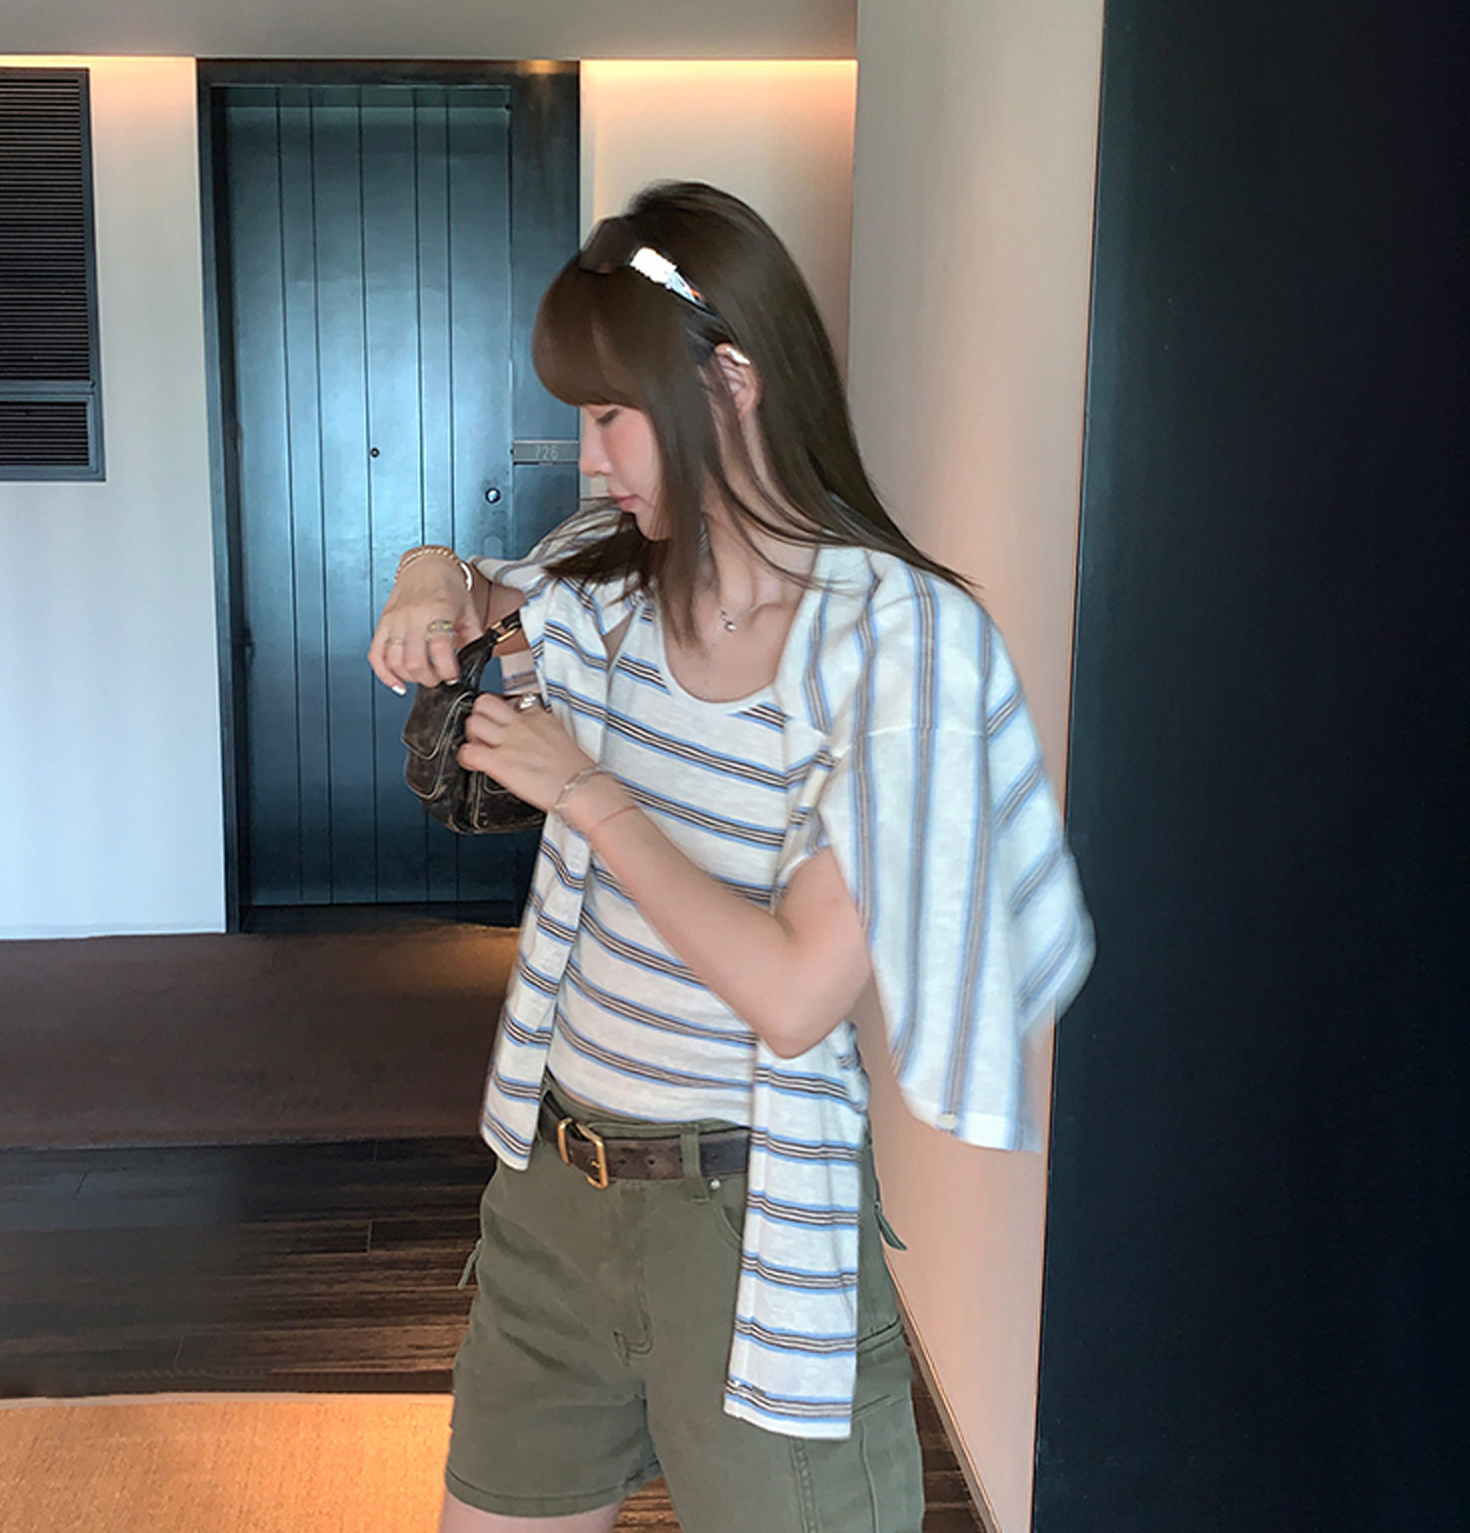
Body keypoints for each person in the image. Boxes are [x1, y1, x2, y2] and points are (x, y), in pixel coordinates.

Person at [368, 182, 1094, 1533]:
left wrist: (586, 793)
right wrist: (428, 573)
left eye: (612, 415)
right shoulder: (615, 573)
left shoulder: (898, 645)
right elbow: (482, 595)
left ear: (732, 380)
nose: (593, 460)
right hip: (552, 1189)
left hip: (751, 1222)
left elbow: (797, 991)